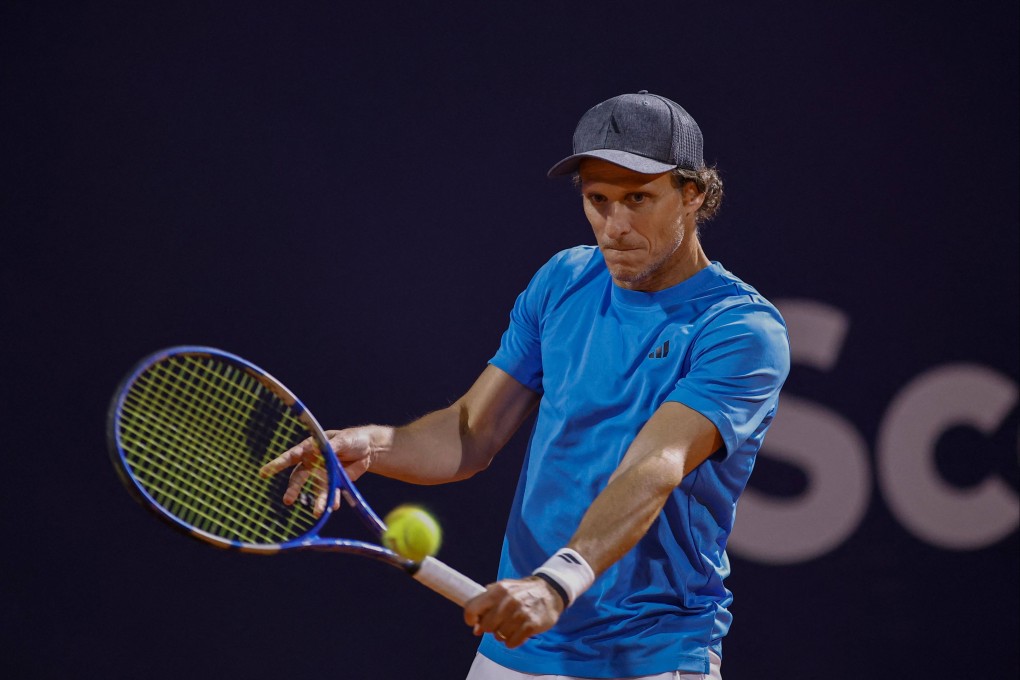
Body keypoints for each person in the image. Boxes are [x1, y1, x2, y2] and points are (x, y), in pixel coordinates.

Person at [262, 91, 790, 679]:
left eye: (638, 199)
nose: (615, 226)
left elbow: (655, 465)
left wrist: (556, 583)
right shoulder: (563, 281)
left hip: (649, 655)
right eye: (598, 200)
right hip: (517, 646)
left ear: (692, 193)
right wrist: (375, 445)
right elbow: (471, 432)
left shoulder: (739, 329)